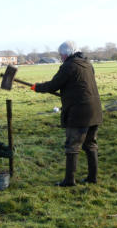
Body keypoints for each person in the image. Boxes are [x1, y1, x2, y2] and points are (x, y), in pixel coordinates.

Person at [31, 41, 103, 187]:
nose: (61, 57)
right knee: (90, 144)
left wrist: (36, 87)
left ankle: (69, 180)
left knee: (72, 146)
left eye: (61, 55)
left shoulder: (69, 66)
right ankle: (92, 177)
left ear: (66, 54)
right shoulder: (87, 64)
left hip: (79, 113)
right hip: (95, 111)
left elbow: (53, 85)